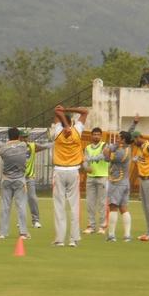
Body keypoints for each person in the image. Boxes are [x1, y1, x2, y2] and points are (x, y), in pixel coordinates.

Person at [87, 116, 139, 242]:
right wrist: (134, 123)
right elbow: (128, 134)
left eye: (118, 138)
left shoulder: (121, 153)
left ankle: (111, 235)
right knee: (123, 208)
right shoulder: (126, 147)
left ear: (123, 140)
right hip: (125, 182)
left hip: (117, 182)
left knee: (113, 207)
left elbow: (105, 157)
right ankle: (127, 235)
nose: (116, 139)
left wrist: (90, 158)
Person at [51, 105, 89, 247]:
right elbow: (85, 111)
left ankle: (60, 239)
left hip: (59, 171)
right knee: (74, 206)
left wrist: (64, 124)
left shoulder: (58, 132)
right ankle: (73, 239)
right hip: (73, 171)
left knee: (59, 206)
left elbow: (56, 111)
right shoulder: (77, 132)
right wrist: (67, 110)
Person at [0, 127, 30, 239]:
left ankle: (2, 233)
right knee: (21, 206)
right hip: (19, 180)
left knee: (5, 206)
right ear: (19, 136)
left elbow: (2, 151)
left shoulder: (4, 148)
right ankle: (23, 233)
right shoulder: (24, 146)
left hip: (6, 180)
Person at [20, 129, 51, 229]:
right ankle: (22, 220)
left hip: (29, 177)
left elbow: (42, 147)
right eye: (23, 137)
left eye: (26, 137)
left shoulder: (32, 146)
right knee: (21, 200)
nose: (25, 139)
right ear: (19, 137)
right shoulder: (15, 147)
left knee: (32, 198)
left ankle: (36, 220)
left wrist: (52, 144)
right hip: (18, 177)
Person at [83, 127, 108, 234]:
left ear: (101, 136)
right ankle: (91, 226)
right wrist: (85, 167)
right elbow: (84, 160)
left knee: (102, 203)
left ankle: (102, 226)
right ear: (91, 135)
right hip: (91, 177)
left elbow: (102, 156)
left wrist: (90, 160)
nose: (96, 136)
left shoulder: (104, 146)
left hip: (102, 176)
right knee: (90, 203)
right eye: (95, 134)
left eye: (98, 135)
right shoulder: (88, 148)